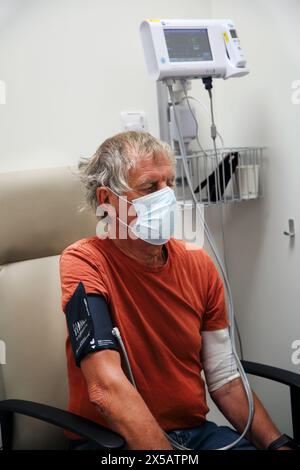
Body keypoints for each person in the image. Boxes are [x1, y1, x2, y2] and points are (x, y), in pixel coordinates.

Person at [59, 131, 289, 450]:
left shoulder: (199, 265)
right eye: (150, 186)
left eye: (171, 183)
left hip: (195, 434)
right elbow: (105, 388)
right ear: (107, 200)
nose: (167, 196)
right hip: (113, 441)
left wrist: (277, 445)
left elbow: (224, 378)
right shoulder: (85, 262)